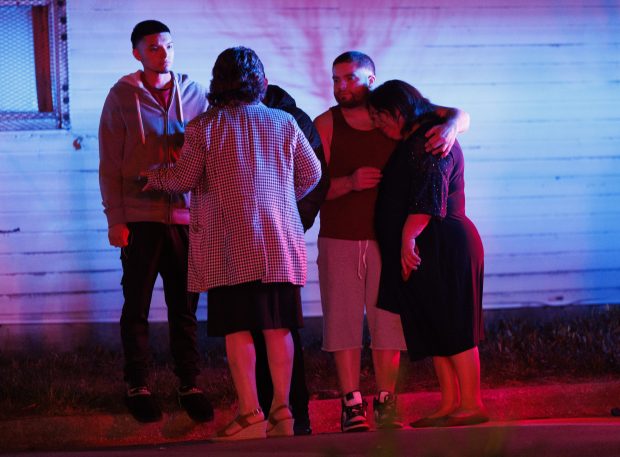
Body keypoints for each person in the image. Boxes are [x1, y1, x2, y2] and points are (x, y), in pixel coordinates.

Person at [142, 47, 322, 441]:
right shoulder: (284, 122)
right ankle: (283, 413)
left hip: (229, 246)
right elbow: (313, 173)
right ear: (260, 80)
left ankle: (250, 413)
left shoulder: (204, 127)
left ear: (218, 81)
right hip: (279, 243)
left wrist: (150, 177)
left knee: (238, 331)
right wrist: (279, 196)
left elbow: (182, 180)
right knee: (279, 329)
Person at [314, 51, 470, 432]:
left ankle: (386, 400)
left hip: (389, 239)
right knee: (343, 321)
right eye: (336, 80)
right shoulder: (327, 123)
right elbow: (309, 187)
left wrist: (452, 127)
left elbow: (455, 114)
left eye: (349, 78)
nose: (341, 87)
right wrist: (348, 184)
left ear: (372, 79)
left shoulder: (397, 114)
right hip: (341, 235)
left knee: (389, 322)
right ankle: (351, 402)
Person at [98, 20, 213, 423]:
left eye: (168, 45)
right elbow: (110, 165)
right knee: (138, 304)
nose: (163, 53)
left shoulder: (196, 94)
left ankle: (190, 383)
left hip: (184, 217)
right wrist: (116, 219)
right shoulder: (120, 97)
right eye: (153, 48)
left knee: (184, 306)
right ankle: (138, 384)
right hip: (140, 216)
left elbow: (210, 153)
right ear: (137, 53)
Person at [368, 79, 488, 427]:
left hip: (445, 242)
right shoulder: (418, 137)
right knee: (437, 325)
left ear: (397, 111)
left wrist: (407, 237)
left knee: (455, 323)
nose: (379, 125)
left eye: (380, 117)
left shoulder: (432, 139)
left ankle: (470, 402)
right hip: (430, 243)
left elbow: (429, 192)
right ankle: (450, 402)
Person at [253, 84, 329, 436]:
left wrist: (291, 218)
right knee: (256, 328)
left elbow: (314, 178)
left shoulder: (290, 120)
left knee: (282, 327)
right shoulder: (236, 117)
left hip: (280, 237)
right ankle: (267, 408)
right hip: (250, 237)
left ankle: (295, 412)